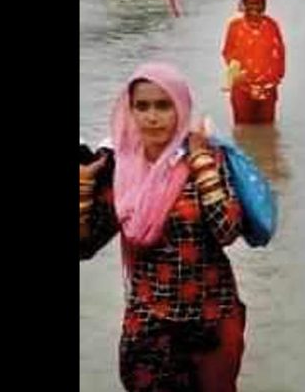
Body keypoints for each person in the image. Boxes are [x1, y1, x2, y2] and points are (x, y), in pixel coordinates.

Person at [80, 62, 247, 391]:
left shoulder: (209, 156)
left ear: (181, 107)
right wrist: (84, 189)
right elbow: (84, 247)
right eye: (142, 106)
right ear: (130, 110)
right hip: (149, 324)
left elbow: (228, 231)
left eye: (163, 105)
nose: (152, 117)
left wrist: (200, 164)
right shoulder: (120, 169)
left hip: (211, 320)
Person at [221, 0, 286, 125]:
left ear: (264, 6)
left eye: (259, 4)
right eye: (251, 4)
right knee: (243, 129)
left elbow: (280, 53)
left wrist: (276, 78)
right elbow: (227, 52)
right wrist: (237, 74)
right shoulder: (235, 26)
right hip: (242, 88)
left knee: (267, 129)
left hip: (267, 89)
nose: (255, 8)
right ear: (244, 5)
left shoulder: (272, 25)